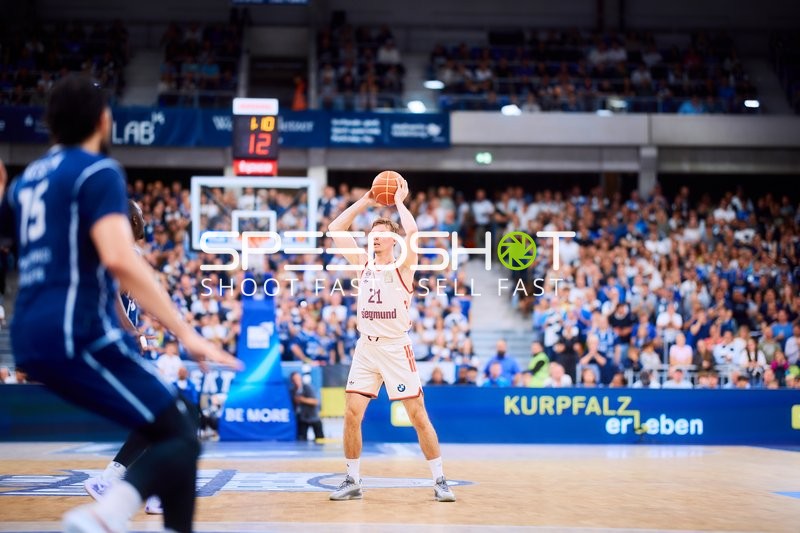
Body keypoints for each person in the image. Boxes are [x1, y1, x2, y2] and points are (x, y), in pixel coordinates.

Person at [0, 75, 240, 533]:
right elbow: (119, 259)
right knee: (183, 428)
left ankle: (116, 506)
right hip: (74, 329)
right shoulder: (98, 172)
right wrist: (185, 333)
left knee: (175, 426)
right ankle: (103, 514)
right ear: (104, 119)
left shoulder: (28, 180)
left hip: (29, 329)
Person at [326, 175, 455, 502]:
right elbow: (335, 230)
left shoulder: (403, 265)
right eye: (372, 235)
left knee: (418, 415)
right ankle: (352, 479)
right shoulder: (363, 263)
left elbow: (413, 233)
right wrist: (368, 200)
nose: (374, 239)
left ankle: (440, 479)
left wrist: (398, 202)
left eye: (381, 236)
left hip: (397, 348)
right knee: (352, 413)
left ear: (392, 242)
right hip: (366, 348)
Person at [83, 200, 167, 516]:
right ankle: (119, 480)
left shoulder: (128, 251)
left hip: (120, 344)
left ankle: (130, 483)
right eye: (142, 214)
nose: (146, 217)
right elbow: (112, 292)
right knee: (161, 414)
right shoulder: (118, 248)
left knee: (158, 417)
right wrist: (132, 330)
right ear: (132, 219)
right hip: (115, 344)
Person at [290, 371, 324, 441]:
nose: (297, 381)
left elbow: (315, 401)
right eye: (294, 380)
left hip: (313, 416)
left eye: (298, 379)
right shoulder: (293, 391)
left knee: (320, 438)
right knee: (302, 439)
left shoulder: (307, 387)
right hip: (302, 418)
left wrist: (302, 399)